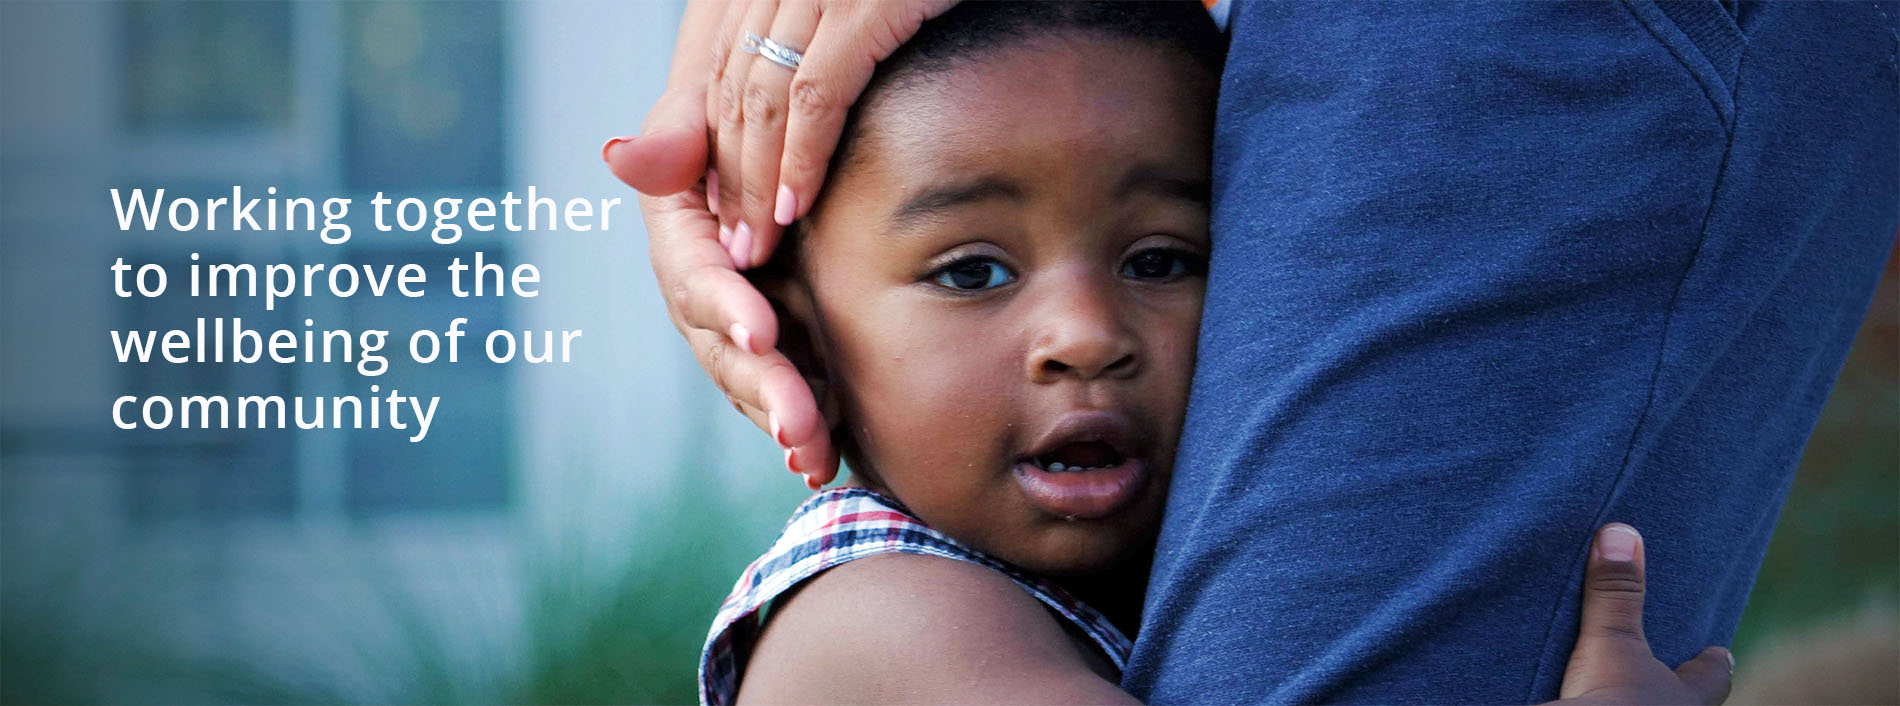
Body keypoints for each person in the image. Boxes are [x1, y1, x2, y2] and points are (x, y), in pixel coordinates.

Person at [610, 0, 1897, 701]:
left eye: (1161, 258)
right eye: (973, 272)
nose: (1084, 337)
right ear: (805, 348)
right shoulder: (879, 617)